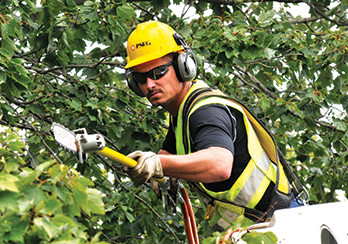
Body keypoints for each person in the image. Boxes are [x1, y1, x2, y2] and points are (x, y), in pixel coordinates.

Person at [124, 20, 303, 230]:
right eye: (141, 78)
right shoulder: (181, 113)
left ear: (183, 66)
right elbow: (168, 156)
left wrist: (158, 164)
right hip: (257, 228)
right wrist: (147, 166)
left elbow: (219, 165)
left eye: (158, 73)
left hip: (280, 224)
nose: (149, 85)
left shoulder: (205, 111)